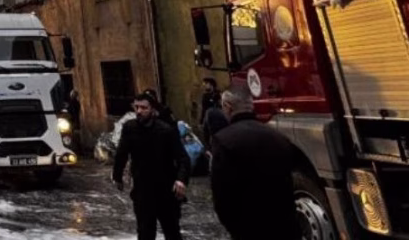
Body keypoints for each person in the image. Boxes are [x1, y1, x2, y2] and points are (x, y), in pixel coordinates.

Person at [210, 86, 300, 240]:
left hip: (249, 227)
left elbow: (222, 194)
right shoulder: (278, 137)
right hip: (285, 224)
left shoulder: (223, 140)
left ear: (227, 107)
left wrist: (233, 227)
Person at [113, 92, 191, 240]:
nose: (139, 111)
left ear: (153, 110)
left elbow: (182, 158)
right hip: (143, 190)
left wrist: (181, 180)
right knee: (145, 232)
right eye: (136, 107)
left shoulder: (166, 130)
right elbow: (121, 154)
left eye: (144, 108)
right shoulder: (130, 128)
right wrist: (117, 176)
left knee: (172, 231)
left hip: (166, 190)